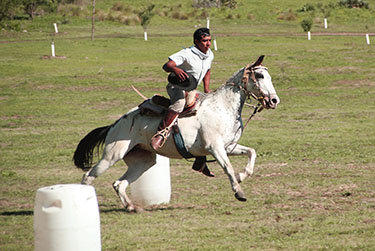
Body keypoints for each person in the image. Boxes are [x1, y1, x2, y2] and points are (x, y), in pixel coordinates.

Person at [151, 27, 214, 151]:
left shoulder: (210, 54)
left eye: (209, 40)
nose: (208, 44)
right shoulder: (187, 53)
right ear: (196, 41)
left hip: (191, 89)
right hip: (176, 87)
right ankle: (160, 134)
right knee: (179, 104)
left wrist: (207, 89)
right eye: (204, 41)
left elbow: (207, 70)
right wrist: (175, 69)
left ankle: (199, 154)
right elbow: (166, 65)